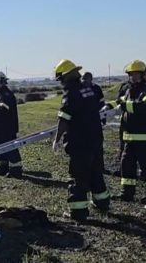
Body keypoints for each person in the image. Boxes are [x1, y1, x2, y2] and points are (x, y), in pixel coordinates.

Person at [52, 59, 110, 221]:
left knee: (78, 176)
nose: (61, 82)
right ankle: (102, 202)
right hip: (95, 139)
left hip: (80, 142)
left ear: (66, 77)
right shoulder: (88, 89)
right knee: (96, 171)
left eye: (61, 79)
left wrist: (56, 140)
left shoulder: (70, 93)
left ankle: (78, 212)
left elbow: (64, 120)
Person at [108, 60, 146, 205]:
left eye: (137, 74)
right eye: (131, 74)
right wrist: (107, 106)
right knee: (126, 165)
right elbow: (119, 101)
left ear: (144, 75)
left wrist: (125, 105)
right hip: (130, 138)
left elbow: (145, 107)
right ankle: (127, 194)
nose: (133, 77)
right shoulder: (127, 90)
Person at [0, 71, 22, 177]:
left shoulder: (6, 95)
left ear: (2, 82)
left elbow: (2, 110)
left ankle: (16, 170)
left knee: (10, 147)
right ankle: (3, 167)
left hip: (7, 127)